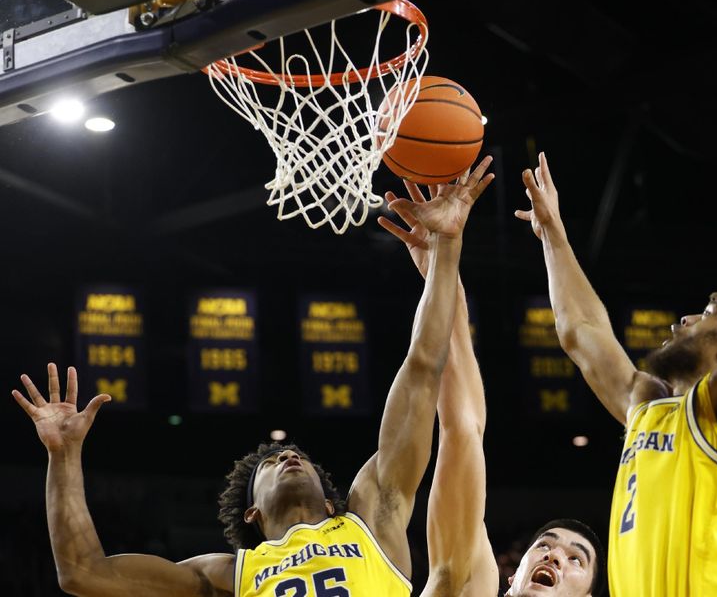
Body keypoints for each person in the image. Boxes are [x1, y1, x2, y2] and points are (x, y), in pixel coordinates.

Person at [11, 157, 495, 597]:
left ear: (332, 505)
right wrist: (63, 457)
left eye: (296, 457)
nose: (287, 455)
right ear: (252, 514)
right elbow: (83, 573)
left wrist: (447, 249)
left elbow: (423, 366)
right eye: (271, 464)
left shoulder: (372, 514)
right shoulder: (226, 575)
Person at [515, 5, 717, 595]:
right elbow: (581, 334)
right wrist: (555, 239)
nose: (688, 317)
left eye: (713, 311)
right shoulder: (648, 407)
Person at [381, 183, 605, 597]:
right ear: (510, 576)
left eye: (577, 559)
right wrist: (444, 267)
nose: (554, 556)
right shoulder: (467, 586)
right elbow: (462, 430)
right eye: (544, 546)